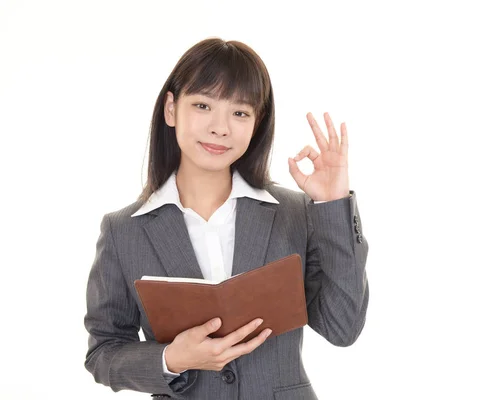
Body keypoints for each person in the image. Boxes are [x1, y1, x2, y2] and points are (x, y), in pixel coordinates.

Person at [84, 37, 369, 400]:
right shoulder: (124, 230)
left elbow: (343, 328)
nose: (221, 128)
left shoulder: (295, 213)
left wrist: (332, 207)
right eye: (203, 105)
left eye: (240, 113)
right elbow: (103, 353)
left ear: (257, 121)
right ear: (171, 109)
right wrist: (172, 358)